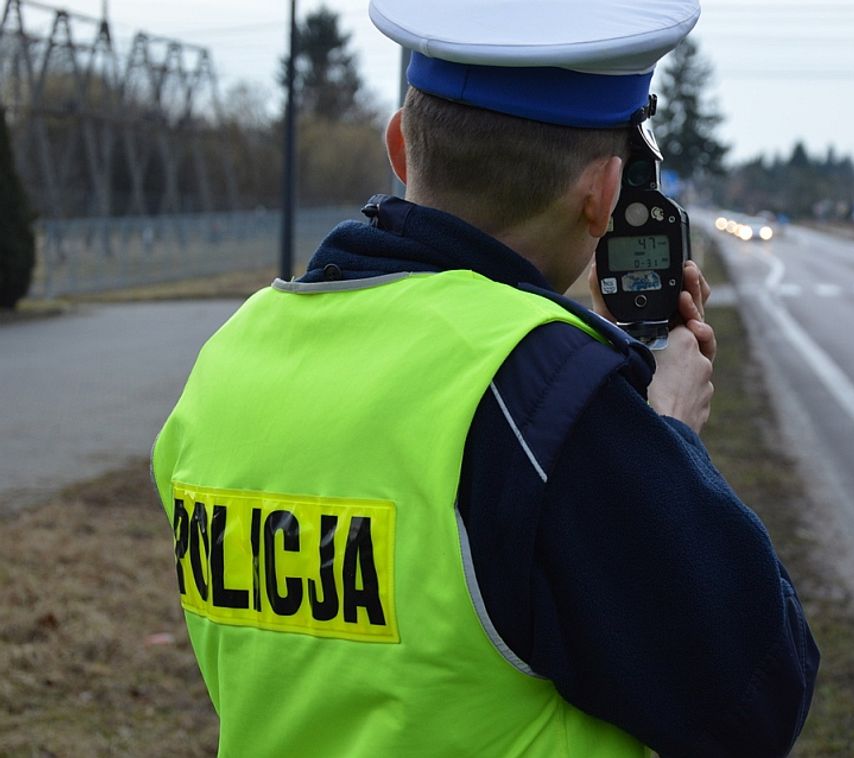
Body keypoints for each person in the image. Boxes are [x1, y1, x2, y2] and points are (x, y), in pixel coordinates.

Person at [152, 0, 819, 755]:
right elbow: (757, 695)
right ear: (605, 193)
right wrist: (667, 438)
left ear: (401, 149)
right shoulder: (545, 397)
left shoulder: (227, 362)